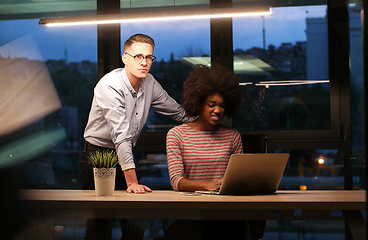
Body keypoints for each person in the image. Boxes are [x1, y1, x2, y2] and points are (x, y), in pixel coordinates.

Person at [80, 33, 193, 239]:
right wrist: (132, 182)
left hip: (125, 156)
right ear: (125, 58)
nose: (144, 62)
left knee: (135, 227)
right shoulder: (110, 85)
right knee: (99, 226)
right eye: (138, 56)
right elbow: (121, 136)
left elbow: (177, 112)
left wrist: (205, 120)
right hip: (97, 156)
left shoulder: (149, 82)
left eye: (149, 57)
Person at [166, 64, 265, 240]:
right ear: (198, 103)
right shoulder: (177, 134)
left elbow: (239, 177)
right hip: (192, 214)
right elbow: (176, 181)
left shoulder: (232, 136)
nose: (218, 110)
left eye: (222, 106)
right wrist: (207, 185)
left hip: (227, 212)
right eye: (212, 104)